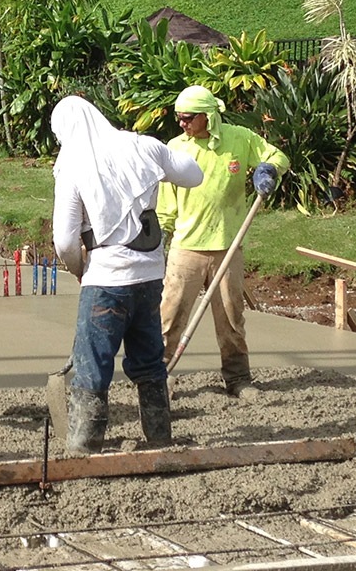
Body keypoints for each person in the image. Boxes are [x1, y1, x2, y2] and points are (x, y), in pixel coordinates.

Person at [51, 96, 203, 453]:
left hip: (106, 280)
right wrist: (160, 155)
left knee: (93, 366)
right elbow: (193, 174)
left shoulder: (72, 164)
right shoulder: (143, 146)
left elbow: (64, 240)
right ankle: (160, 438)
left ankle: (84, 447)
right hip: (150, 278)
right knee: (150, 359)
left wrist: (78, 270)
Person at [157, 85, 290, 399]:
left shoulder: (239, 139)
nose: (181, 123)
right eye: (178, 117)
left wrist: (268, 169)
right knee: (170, 315)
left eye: (188, 118)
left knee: (231, 317)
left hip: (228, 247)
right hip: (186, 247)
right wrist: (158, 237)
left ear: (208, 117)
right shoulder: (175, 148)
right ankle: (157, 376)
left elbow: (277, 156)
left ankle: (238, 379)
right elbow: (165, 204)